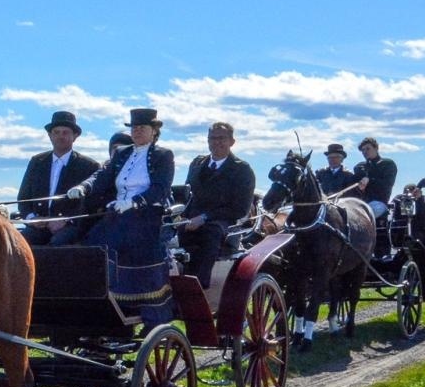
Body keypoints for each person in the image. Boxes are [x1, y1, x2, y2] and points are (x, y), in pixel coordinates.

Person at [66, 109, 175, 319]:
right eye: (134, 128)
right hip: (118, 214)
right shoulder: (122, 153)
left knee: (128, 242)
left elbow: (160, 188)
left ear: (154, 131)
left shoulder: (163, 155)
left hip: (148, 218)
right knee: (94, 244)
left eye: (142, 128)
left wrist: (135, 202)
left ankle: (147, 312)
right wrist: (84, 187)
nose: (137, 131)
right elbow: (102, 176)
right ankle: (102, 304)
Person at [179, 121, 256, 288]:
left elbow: (240, 208)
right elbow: (187, 195)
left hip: (222, 222)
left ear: (232, 142)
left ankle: (200, 284)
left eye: (221, 138)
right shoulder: (197, 164)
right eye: (212, 138)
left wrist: (205, 217)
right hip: (191, 220)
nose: (216, 142)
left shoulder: (242, 170)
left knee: (210, 233)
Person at [16, 111, 101, 247]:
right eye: (56, 132)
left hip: (70, 226)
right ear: (50, 136)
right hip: (38, 226)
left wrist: (67, 220)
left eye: (65, 132)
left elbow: (92, 204)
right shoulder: (37, 162)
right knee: (17, 243)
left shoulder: (88, 166)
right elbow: (23, 198)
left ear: (75, 136)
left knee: (58, 244)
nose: (60, 136)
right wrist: (32, 218)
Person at [352, 137, 398, 220]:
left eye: (368, 149)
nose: (365, 152)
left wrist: (370, 180)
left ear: (376, 148)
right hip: (359, 202)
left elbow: (387, 184)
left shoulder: (387, 164)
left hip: (379, 202)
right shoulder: (359, 167)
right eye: (363, 150)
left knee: (367, 212)